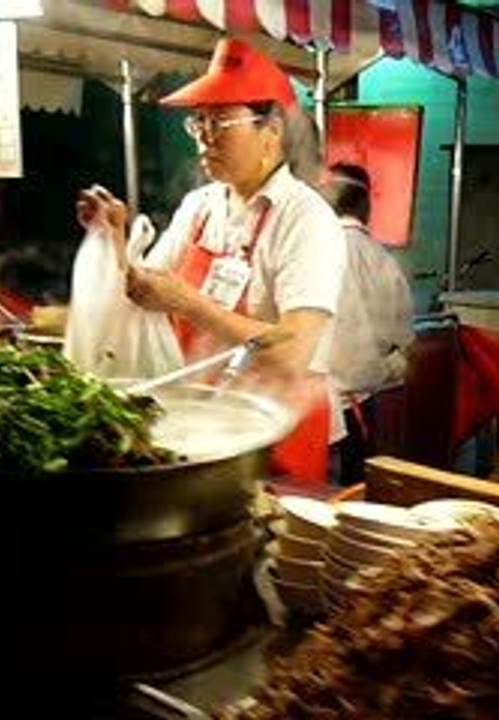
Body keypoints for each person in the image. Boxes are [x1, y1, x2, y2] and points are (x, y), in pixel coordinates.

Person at [75, 38, 347, 486]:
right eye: (198, 121)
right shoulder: (200, 205)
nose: (203, 134)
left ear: (272, 131)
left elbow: (291, 353)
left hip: (280, 433)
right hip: (211, 421)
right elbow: (146, 292)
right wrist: (114, 236)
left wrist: (189, 304)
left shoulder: (305, 218)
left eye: (220, 120)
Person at [319, 163, 415, 484]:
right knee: (357, 494)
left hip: (325, 412)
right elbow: (401, 340)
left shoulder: (316, 252)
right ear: (366, 205)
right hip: (364, 407)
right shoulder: (384, 259)